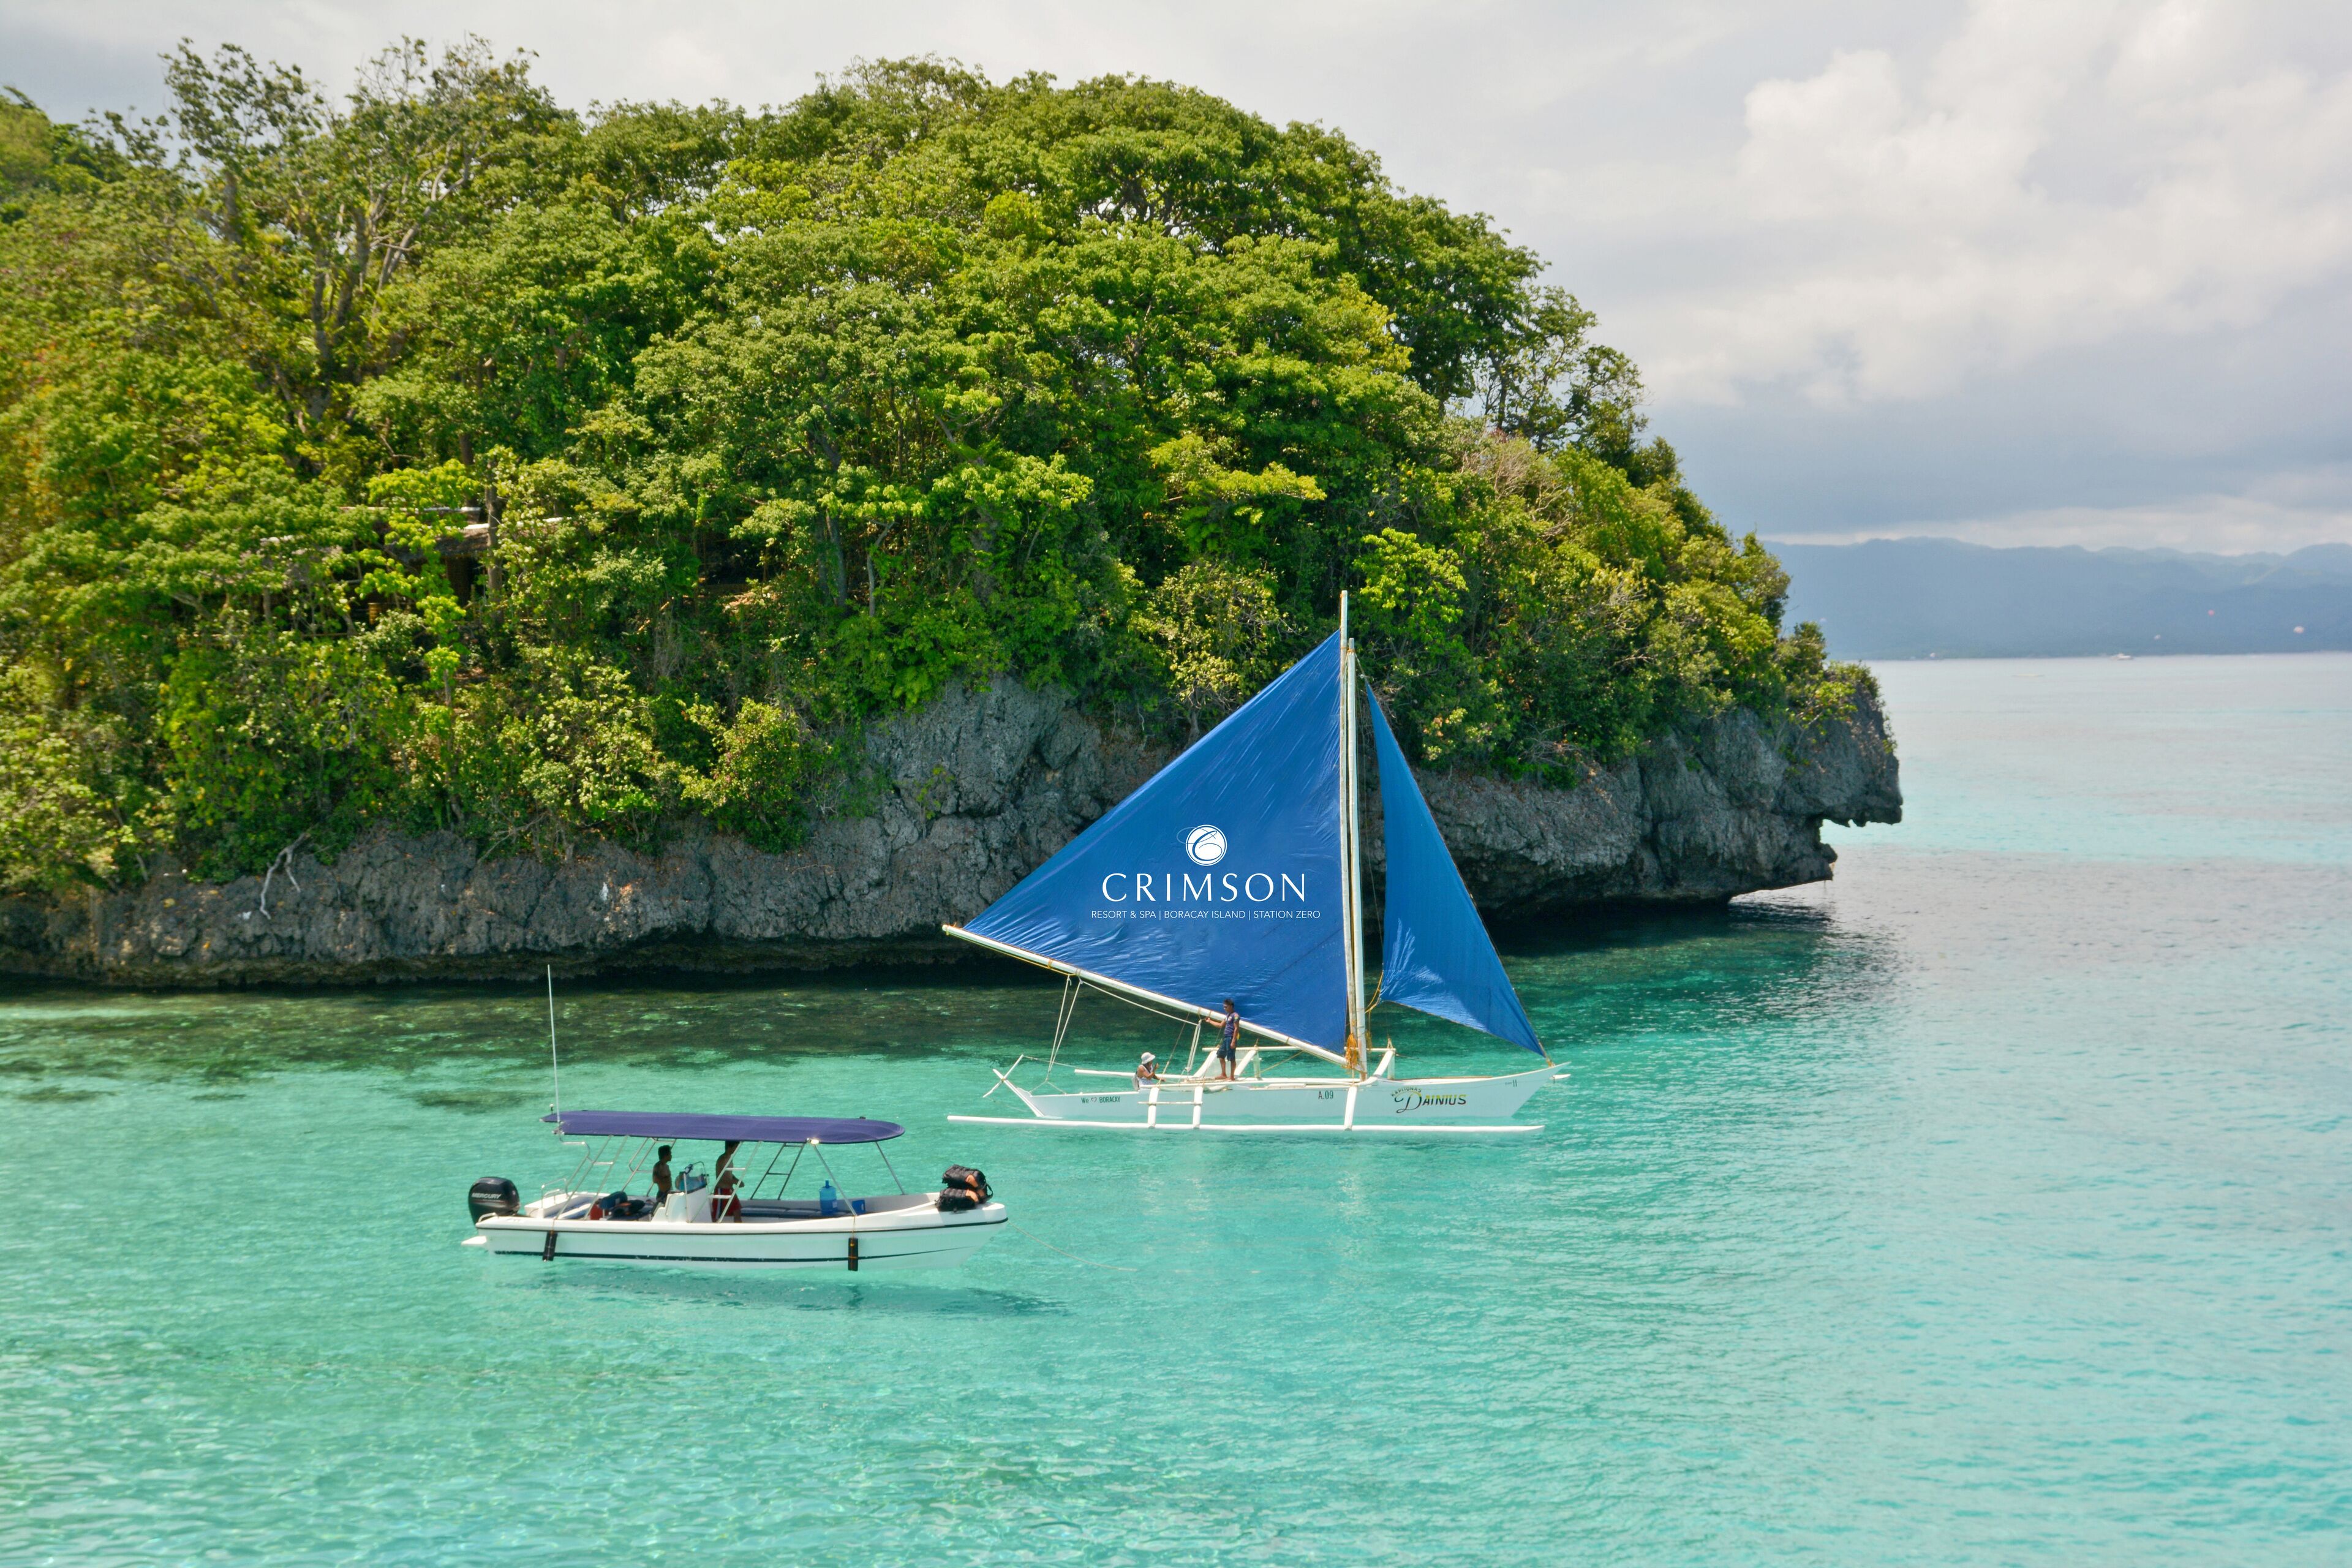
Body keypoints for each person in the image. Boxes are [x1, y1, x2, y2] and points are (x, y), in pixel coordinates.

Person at [712, 1139, 743, 1222]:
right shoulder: (722, 1159)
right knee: (717, 1216)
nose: (737, 1149)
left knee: (737, 1211)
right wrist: (735, 1182)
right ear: (730, 1147)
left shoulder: (730, 1158)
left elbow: (729, 1174)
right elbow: (721, 1176)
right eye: (736, 1147)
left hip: (730, 1190)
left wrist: (736, 1180)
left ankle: (739, 1231)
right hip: (722, 1191)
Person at [1211, 998, 1241, 1081]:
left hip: (1231, 1038)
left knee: (1232, 1058)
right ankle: (1224, 1074)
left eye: (1226, 1007)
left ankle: (1232, 1077)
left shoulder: (1235, 1016)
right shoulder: (1227, 1016)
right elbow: (1220, 1025)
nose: (1224, 1009)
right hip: (1226, 1037)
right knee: (1220, 1055)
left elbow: (1236, 1029)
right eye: (1224, 1007)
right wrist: (1210, 1021)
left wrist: (1234, 1041)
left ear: (1231, 1006)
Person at [649, 1145, 674, 1213]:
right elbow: (655, 1180)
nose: (671, 1156)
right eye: (670, 1154)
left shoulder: (666, 1166)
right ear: (666, 1155)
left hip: (668, 1192)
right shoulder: (658, 1166)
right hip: (663, 1194)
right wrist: (664, 1179)